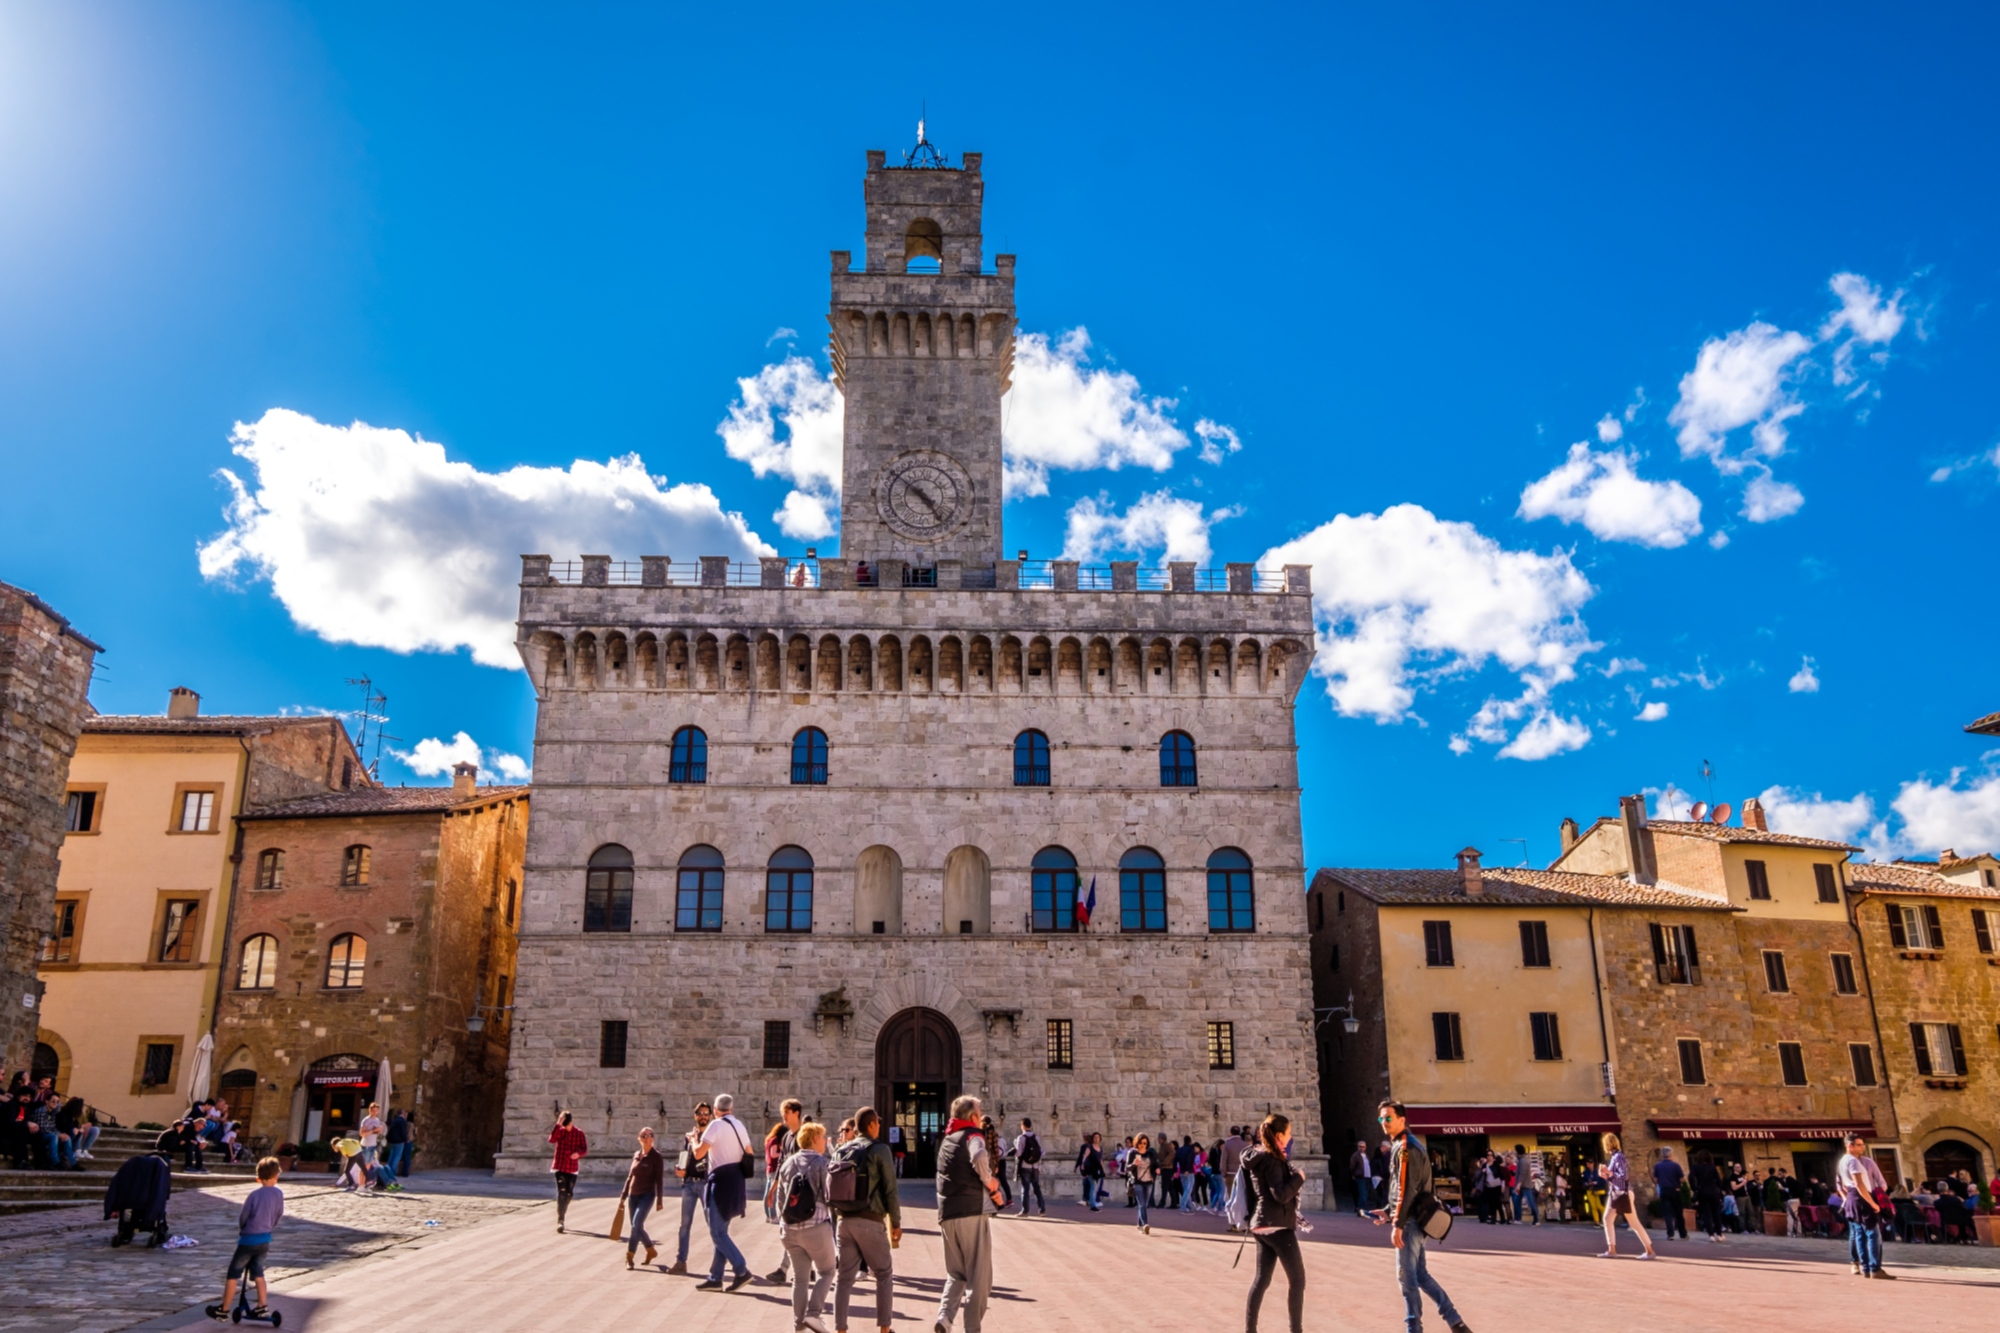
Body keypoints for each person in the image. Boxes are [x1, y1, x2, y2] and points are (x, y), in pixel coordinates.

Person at [1374, 1101, 1473, 1333]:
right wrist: (1388, 1212)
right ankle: (1455, 1322)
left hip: (1409, 1222)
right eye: (1381, 1119)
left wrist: (1397, 1223)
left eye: (1388, 1118)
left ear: (1402, 1119)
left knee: (1407, 1280)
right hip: (1413, 1219)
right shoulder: (1403, 1144)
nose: (1384, 1123)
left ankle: (1414, 1328)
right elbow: (1407, 1189)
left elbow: (1408, 1189)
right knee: (1420, 1275)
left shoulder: (1406, 1147)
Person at [933, 1095, 1005, 1333]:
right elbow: (978, 1156)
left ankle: (944, 1317)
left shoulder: (946, 1140)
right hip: (971, 1212)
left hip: (947, 1214)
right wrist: (990, 1181)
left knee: (956, 1273)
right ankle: (972, 1328)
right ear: (974, 1117)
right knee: (979, 1277)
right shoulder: (974, 1136)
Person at [832, 1106, 900, 1333]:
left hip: (844, 1220)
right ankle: (884, 1329)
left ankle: (840, 1329)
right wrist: (896, 1223)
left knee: (844, 1278)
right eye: (878, 1123)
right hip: (870, 1218)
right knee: (883, 1273)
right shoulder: (879, 1150)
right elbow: (890, 1189)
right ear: (871, 1125)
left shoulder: (841, 1149)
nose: (880, 1127)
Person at [1240, 1113, 1306, 1333]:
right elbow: (1280, 1194)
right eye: (1288, 1133)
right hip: (1277, 1225)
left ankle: (1250, 1329)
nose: (1290, 1137)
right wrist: (1299, 1178)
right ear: (1279, 1135)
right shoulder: (1273, 1159)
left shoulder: (1257, 1155)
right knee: (1297, 1280)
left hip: (1260, 1224)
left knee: (1261, 1279)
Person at [774, 1121, 836, 1333]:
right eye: (823, 1137)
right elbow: (829, 1195)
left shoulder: (787, 1163)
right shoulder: (821, 1162)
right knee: (827, 1271)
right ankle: (813, 1314)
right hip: (815, 1227)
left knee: (799, 1279)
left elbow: (779, 1200)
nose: (824, 1141)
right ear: (815, 1139)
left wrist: (782, 1223)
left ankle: (798, 1326)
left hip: (789, 1230)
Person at [206, 1156, 284, 1322]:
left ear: (258, 1178)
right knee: (258, 1272)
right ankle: (262, 1306)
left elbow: (244, 1217)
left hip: (248, 1240)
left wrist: (244, 1229)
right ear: (277, 1175)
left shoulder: (254, 1195)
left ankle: (224, 1309)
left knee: (233, 1273)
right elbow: (278, 1215)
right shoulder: (278, 1194)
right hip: (265, 1240)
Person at [692, 1091, 756, 1292]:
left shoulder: (716, 1125)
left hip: (720, 1182)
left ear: (716, 1110)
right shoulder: (739, 1125)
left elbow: (698, 1153)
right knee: (721, 1231)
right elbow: (750, 1152)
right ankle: (716, 1277)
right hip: (736, 1180)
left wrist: (695, 1139)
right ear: (732, 1109)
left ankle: (741, 1269)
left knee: (717, 1233)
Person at [1836, 1135, 1894, 1279]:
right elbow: (1859, 1184)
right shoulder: (1853, 1161)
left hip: (1852, 1198)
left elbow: (1843, 1184)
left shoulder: (1842, 1161)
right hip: (1861, 1198)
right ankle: (1875, 1268)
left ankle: (1866, 1268)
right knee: (1873, 1234)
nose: (1863, 1147)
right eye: (1859, 1145)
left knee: (1859, 1235)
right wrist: (1873, 1203)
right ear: (1850, 1146)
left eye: (1863, 1144)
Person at [765, 1099, 806, 1282]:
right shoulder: (788, 1136)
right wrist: (773, 1188)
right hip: (786, 1188)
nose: (783, 1117)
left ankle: (784, 1269)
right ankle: (808, 1268)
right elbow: (781, 1163)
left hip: (799, 1191)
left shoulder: (804, 1135)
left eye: (786, 1113)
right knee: (794, 1230)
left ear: (796, 1113)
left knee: (792, 1230)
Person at [1598, 1132, 1657, 1259]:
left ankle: (1648, 1251)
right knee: (1610, 1220)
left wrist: (1609, 1173)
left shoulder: (1618, 1157)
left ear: (1607, 1144)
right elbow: (1616, 1178)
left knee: (1628, 1222)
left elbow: (1623, 1177)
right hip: (1619, 1192)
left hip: (1621, 1193)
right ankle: (1613, 1249)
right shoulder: (1617, 1157)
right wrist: (1606, 1175)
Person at [669, 1101, 712, 1274]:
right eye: (700, 1113)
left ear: (710, 1116)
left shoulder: (712, 1135)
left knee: (713, 1225)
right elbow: (684, 1156)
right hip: (688, 1183)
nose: (703, 1116)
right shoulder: (689, 1137)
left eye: (706, 1113)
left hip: (706, 1183)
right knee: (684, 1225)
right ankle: (681, 1262)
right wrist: (679, 1169)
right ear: (695, 1116)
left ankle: (720, 1261)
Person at [621, 1127, 667, 1270]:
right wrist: (623, 1195)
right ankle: (650, 1249)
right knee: (637, 1227)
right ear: (639, 1139)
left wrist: (659, 1200)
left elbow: (659, 1179)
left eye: (651, 1135)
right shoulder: (637, 1154)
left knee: (635, 1225)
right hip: (632, 1196)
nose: (648, 1138)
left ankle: (629, 1257)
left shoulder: (656, 1156)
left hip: (647, 1195)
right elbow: (630, 1176)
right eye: (645, 1135)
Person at [548, 1110, 588, 1233]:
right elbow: (551, 1140)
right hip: (560, 1166)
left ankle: (562, 1210)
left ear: (572, 1122)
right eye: (565, 1125)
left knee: (569, 1194)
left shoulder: (579, 1133)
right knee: (562, 1191)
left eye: (568, 1124)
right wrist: (558, 1123)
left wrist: (578, 1154)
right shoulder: (560, 1131)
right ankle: (561, 1220)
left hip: (572, 1167)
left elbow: (584, 1148)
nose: (567, 1127)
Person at [1690, 1150, 1726, 1242]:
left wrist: (1694, 1188)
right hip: (1714, 1192)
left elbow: (1691, 1177)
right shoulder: (1712, 1167)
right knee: (1716, 1214)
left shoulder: (1695, 1167)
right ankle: (1719, 1234)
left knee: (1707, 1214)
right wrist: (1719, 1189)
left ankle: (1711, 1235)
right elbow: (1718, 1180)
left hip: (1702, 1192)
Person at [1013, 1118, 1045, 1216]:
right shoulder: (1036, 1137)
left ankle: (1025, 1210)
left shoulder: (1021, 1138)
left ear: (1022, 1125)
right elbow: (1042, 1152)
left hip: (1025, 1166)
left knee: (1025, 1189)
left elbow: (1018, 1153)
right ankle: (1042, 1209)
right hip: (1035, 1166)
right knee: (1037, 1188)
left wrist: (1015, 1144)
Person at [1652, 1147, 1685, 1240]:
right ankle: (1683, 1234)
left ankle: (1670, 1234)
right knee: (1678, 1213)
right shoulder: (1676, 1165)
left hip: (1664, 1190)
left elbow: (1655, 1180)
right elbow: (1682, 1179)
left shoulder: (1658, 1166)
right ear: (1671, 1154)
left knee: (1667, 1213)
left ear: (1662, 1155)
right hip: (1675, 1190)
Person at [1127, 1132, 1157, 1233]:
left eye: (1144, 1143)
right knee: (1142, 1204)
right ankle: (1145, 1225)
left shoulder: (1150, 1153)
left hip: (1149, 1181)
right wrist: (1134, 1164)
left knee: (1145, 1204)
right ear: (1137, 1143)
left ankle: (1139, 1225)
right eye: (1140, 1143)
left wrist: (1157, 1169)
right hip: (1137, 1182)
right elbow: (1127, 1168)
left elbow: (1155, 1164)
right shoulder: (1132, 1153)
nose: (1142, 1145)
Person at [983, 1116, 1011, 1209]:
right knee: (994, 1184)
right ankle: (997, 1203)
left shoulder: (978, 1133)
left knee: (986, 1183)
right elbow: (995, 1151)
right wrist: (996, 1164)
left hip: (983, 1161)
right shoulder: (994, 1133)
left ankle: (989, 1204)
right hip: (992, 1162)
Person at [1075, 1132, 1106, 1211]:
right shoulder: (1090, 1147)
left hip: (1097, 1170)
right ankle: (1092, 1204)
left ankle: (1092, 1202)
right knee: (1093, 1187)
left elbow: (1100, 1160)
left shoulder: (1100, 1148)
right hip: (1090, 1169)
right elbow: (1085, 1156)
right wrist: (1082, 1165)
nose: (1096, 1139)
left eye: (1098, 1137)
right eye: (1095, 1137)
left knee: (1094, 1187)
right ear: (1093, 1138)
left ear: (1100, 1139)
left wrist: (1103, 1169)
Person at [385, 1107, 412, 1179]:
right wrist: (405, 1139)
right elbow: (403, 1131)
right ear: (403, 1113)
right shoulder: (402, 1121)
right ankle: (393, 1171)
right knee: (397, 1156)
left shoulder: (394, 1120)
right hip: (399, 1141)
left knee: (392, 1155)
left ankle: (388, 1169)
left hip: (392, 1140)